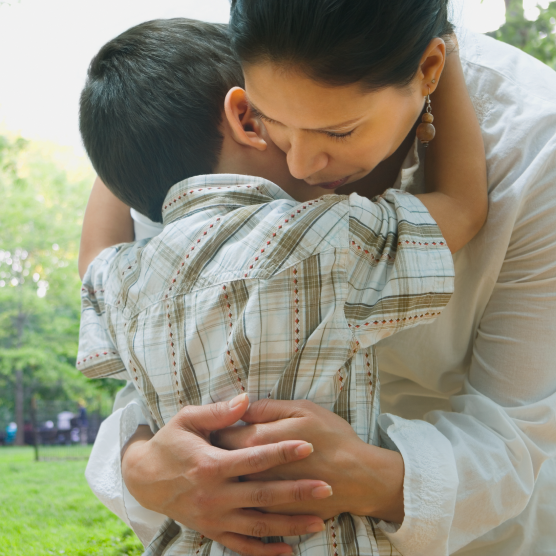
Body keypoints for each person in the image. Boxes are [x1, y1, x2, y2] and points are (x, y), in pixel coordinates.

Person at [76, 17, 487, 556]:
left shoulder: (124, 279)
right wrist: (440, 57)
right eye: (281, 119)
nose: (305, 157)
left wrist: (123, 144)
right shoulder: (325, 236)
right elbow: (462, 207)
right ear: (245, 116)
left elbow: (94, 257)